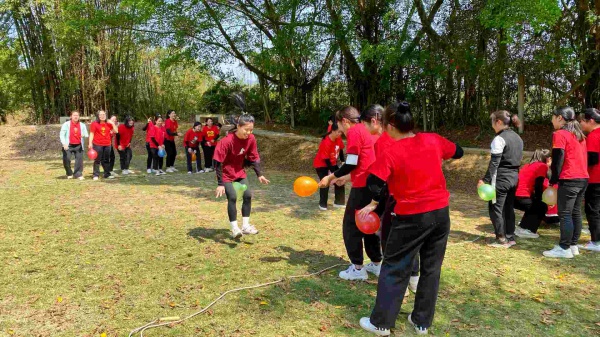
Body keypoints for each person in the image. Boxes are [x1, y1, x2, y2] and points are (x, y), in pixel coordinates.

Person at [357, 101, 464, 336]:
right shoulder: (433, 139)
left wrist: (378, 198)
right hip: (440, 214)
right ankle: (421, 322)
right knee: (431, 269)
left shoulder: (392, 151)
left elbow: (373, 183)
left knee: (395, 266)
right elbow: (458, 151)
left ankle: (381, 323)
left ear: (391, 126)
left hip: (410, 217)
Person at [318, 106, 382, 281]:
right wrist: (346, 177)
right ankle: (377, 264)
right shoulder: (371, 129)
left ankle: (357, 268)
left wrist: (331, 177)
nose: (342, 131)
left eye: (340, 126)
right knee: (369, 224)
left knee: (351, 225)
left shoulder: (355, 131)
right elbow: (366, 161)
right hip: (375, 184)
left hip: (363, 187)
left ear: (345, 121)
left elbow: (352, 162)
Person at [213, 114, 270, 239]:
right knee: (232, 197)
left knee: (248, 196)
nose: (249, 132)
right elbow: (217, 162)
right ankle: (234, 228)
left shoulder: (251, 139)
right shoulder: (226, 141)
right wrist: (220, 184)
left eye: (251, 130)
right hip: (226, 174)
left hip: (239, 172)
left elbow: (253, 157)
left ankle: (245, 226)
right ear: (238, 126)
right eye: (246, 129)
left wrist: (259, 174)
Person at [543, 107, 588, 258]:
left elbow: (558, 159)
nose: (552, 120)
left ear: (560, 118)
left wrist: (553, 179)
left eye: (553, 117)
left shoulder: (560, 134)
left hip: (569, 178)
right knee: (575, 212)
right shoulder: (579, 135)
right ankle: (573, 245)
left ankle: (564, 248)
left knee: (565, 214)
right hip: (582, 178)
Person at [478, 110, 523, 248]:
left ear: (498, 122)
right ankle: (510, 236)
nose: (492, 126)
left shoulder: (499, 139)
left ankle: (501, 238)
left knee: (495, 208)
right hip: (514, 178)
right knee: (508, 208)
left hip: (501, 179)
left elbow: (495, 163)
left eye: (493, 122)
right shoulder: (518, 138)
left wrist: (485, 180)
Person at [513, 149, 551, 239]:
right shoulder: (542, 166)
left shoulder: (527, 165)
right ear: (548, 159)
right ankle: (529, 230)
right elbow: (539, 185)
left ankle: (523, 227)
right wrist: (541, 199)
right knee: (542, 206)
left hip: (514, 197)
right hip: (522, 197)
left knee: (534, 205)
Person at [580, 108, 600, 252]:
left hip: (595, 179)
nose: (581, 124)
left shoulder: (594, 136)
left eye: (582, 121)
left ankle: (596, 241)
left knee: (592, 210)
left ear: (591, 121)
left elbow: (592, 159)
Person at [313, 122, 345, 210]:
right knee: (325, 182)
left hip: (333, 163)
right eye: (339, 132)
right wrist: (332, 173)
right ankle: (322, 204)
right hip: (321, 165)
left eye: (341, 132)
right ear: (333, 131)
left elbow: (341, 149)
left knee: (340, 179)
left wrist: (342, 161)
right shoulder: (326, 141)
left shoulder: (338, 138)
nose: (340, 134)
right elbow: (326, 159)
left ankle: (339, 202)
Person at [88, 110, 118, 180]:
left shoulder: (108, 123)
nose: (102, 116)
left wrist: (113, 123)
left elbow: (116, 131)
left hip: (107, 144)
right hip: (97, 144)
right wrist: (90, 143)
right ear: (98, 116)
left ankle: (107, 174)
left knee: (106, 160)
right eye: (100, 115)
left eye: (104, 114)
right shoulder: (94, 123)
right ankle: (95, 175)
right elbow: (91, 134)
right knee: (97, 160)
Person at [59, 110, 88, 180]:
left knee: (79, 160)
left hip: (78, 145)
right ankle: (69, 173)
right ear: (71, 116)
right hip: (68, 145)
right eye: (74, 115)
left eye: (77, 115)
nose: (76, 117)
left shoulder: (82, 125)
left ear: (79, 117)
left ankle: (78, 174)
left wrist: (83, 135)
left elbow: (86, 134)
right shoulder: (66, 124)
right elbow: (62, 135)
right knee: (67, 159)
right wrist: (64, 144)